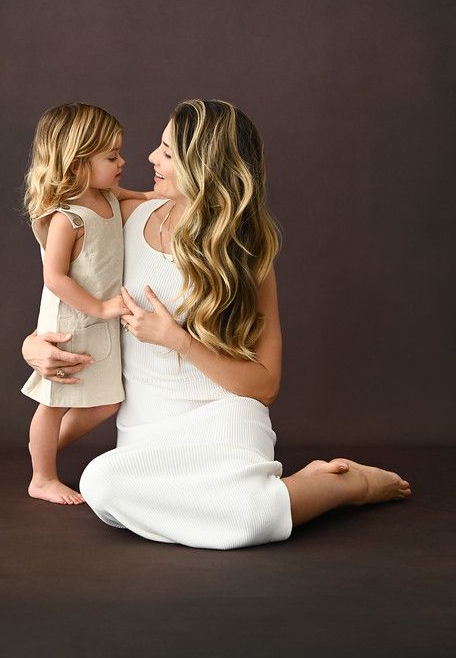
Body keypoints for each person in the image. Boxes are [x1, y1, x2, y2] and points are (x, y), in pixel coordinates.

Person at [22, 99, 411, 548]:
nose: (150, 158)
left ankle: (344, 485)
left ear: (200, 166)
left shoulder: (245, 257)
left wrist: (178, 341)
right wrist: (32, 345)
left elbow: (264, 386)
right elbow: (63, 297)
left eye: (167, 152)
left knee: (246, 522)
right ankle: (292, 491)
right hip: (147, 429)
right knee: (103, 483)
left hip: (226, 416)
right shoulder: (121, 217)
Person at [22, 102, 145, 506]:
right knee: (54, 402)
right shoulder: (67, 218)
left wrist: (161, 195)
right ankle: (42, 477)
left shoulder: (107, 195)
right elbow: (54, 277)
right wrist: (102, 308)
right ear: (76, 164)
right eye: (111, 157)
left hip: (99, 318)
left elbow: (138, 195)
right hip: (72, 319)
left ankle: (44, 449)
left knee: (107, 401)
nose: (122, 161)